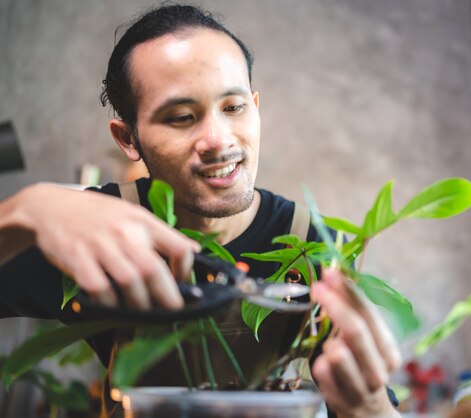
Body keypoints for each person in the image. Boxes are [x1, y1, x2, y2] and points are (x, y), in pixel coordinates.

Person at [0, 5, 401, 417]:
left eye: (234, 107)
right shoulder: (95, 229)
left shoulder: (311, 244)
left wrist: (369, 405)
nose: (218, 139)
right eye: (181, 117)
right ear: (128, 138)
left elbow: (372, 406)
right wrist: (22, 213)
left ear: (256, 106)